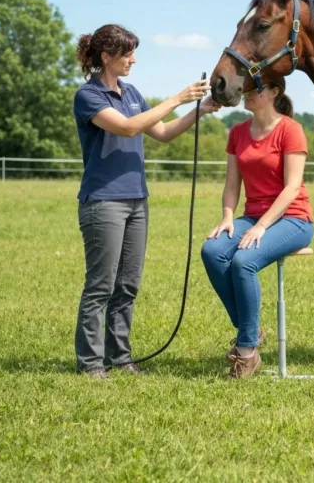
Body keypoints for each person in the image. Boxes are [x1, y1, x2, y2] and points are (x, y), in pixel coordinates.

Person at [73, 23, 219, 379]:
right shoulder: (88, 96)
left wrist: (197, 110)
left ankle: (119, 357)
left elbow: (164, 132)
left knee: (128, 285)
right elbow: (128, 127)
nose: (133, 61)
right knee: (101, 285)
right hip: (103, 202)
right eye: (128, 55)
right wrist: (178, 98)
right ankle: (91, 363)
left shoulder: (132, 92)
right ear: (106, 57)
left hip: (137, 201)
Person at [201, 77, 314, 379]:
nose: (247, 93)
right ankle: (252, 331)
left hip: (293, 218)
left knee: (243, 260)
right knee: (212, 250)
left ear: (274, 92)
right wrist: (227, 216)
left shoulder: (291, 130)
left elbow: (292, 188)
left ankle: (247, 353)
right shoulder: (238, 132)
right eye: (246, 88)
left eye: (255, 88)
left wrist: (262, 226)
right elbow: (231, 184)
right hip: (252, 216)